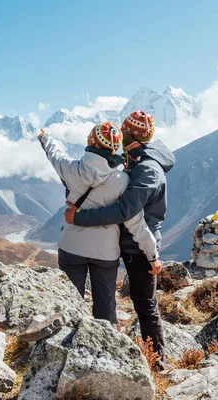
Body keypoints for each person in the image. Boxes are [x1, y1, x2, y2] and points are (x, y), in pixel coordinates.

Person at [64, 110, 175, 358]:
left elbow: (126, 210)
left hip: (139, 247)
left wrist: (79, 217)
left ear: (131, 135)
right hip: (118, 242)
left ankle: (157, 361)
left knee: (145, 304)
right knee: (114, 300)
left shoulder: (148, 170)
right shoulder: (131, 158)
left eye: (124, 131)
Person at [38, 122, 160, 325]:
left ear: (91, 141)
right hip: (105, 252)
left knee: (70, 303)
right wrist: (152, 254)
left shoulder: (71, 169)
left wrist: (44, 138)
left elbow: (55, 154)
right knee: (105, 306)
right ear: (115, 148)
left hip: (71, 247)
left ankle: (67, 345)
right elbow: (136, 222)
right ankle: (107, 347)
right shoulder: (122, 181)